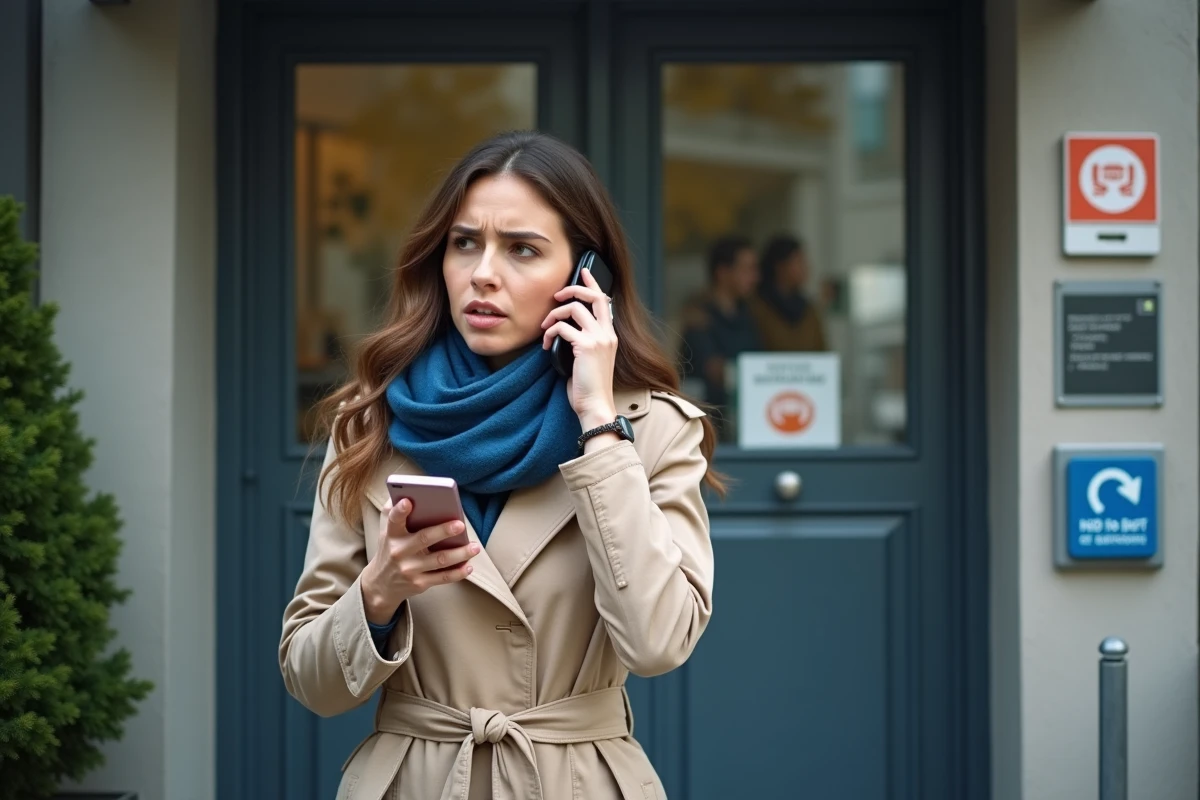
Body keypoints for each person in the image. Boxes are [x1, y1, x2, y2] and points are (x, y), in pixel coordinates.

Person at [279, 130, 722, 800]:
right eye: (465, 243)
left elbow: (658, 643)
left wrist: (599, 421)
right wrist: (379, 591)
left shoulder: (651, 429)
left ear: (584, 276)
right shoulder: (370, 423)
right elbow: (311, 683)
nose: (484, 272)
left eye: (521, 248)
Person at [678, 235, 762, 437]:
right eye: (746, 269)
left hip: (751, 424)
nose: (755, 277)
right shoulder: (698, 318)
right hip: (708, 430)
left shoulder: (750, 316)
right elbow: (714, 371)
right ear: (723, 273)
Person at [747, 234, 828, 353]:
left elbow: (822, 351)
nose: (806, 268)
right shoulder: (756, 308)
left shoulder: (809, 310)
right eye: (798, 262)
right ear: (780, 266)